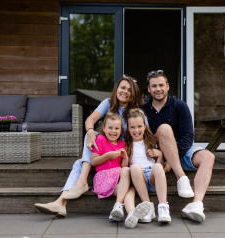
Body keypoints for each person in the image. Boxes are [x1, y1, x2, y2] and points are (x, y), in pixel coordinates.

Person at [34, 75, 147, 217]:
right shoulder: (108, 102)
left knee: (78, 163)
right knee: (90, 134)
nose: (125, 91)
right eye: (122, 87)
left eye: (129, 90)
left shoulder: (137, 112)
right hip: (105, 151)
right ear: (117, 88)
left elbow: (145, 135)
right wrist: (91, 133)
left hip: (122, 156)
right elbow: (91, 119)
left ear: (133, 95)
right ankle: (64, 199)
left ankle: (64, 199)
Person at [142, 70, 215, 223]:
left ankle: (196, 204)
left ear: (167, 86)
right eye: (154, 86)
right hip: (158, 152)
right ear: (148, 89)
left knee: (208, 156)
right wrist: (164, 155)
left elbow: (188, 137)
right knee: (164, 128)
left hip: (182, 149)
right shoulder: (143, 110)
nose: (158, 89)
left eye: (161, 85)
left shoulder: (179, 106)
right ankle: (181, 178)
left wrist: (172, 158)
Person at [90, 112, 150, 227]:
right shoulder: (101, 139)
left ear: (121, 130)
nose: (113, 131)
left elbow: (123, 166)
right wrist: (107, 155)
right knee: (127, 173)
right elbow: (93, 161)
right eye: (110, 128)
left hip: (118, 183)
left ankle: (131, 213)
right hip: (104, 179)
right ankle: (118, 204)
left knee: (130, 189)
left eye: (117, 128)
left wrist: (125, 157)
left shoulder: (122, 144)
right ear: (104, 128)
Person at [125, 109, 171, 226]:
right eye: (132, 127)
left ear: (145, 126)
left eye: (139, 126)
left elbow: (160, 166)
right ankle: (148, 207)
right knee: (134, 167)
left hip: (153, 178)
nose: (136, 130)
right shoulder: (126, 145)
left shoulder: (150, 142)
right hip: (139, 180)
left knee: (157, 167)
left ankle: (163, 207)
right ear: (128, 128)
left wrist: (159, 154)